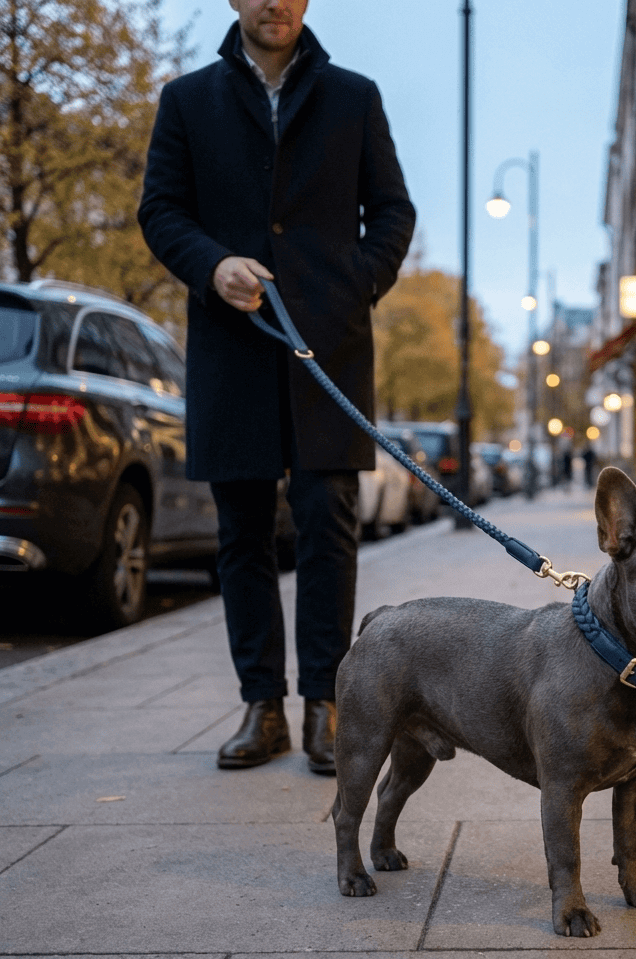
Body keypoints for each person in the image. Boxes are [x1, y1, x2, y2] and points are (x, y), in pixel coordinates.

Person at [138, 0, 415, 775]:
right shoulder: (188, 99)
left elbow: (392, 211)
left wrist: (352, 284)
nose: (274, 2)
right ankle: (262, 706)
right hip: (233, 348)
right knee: (243, 531)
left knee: (328, 521)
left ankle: (326, 705)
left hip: (328, 347)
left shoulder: (353, 95)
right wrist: (210, 263)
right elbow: (160, 209)